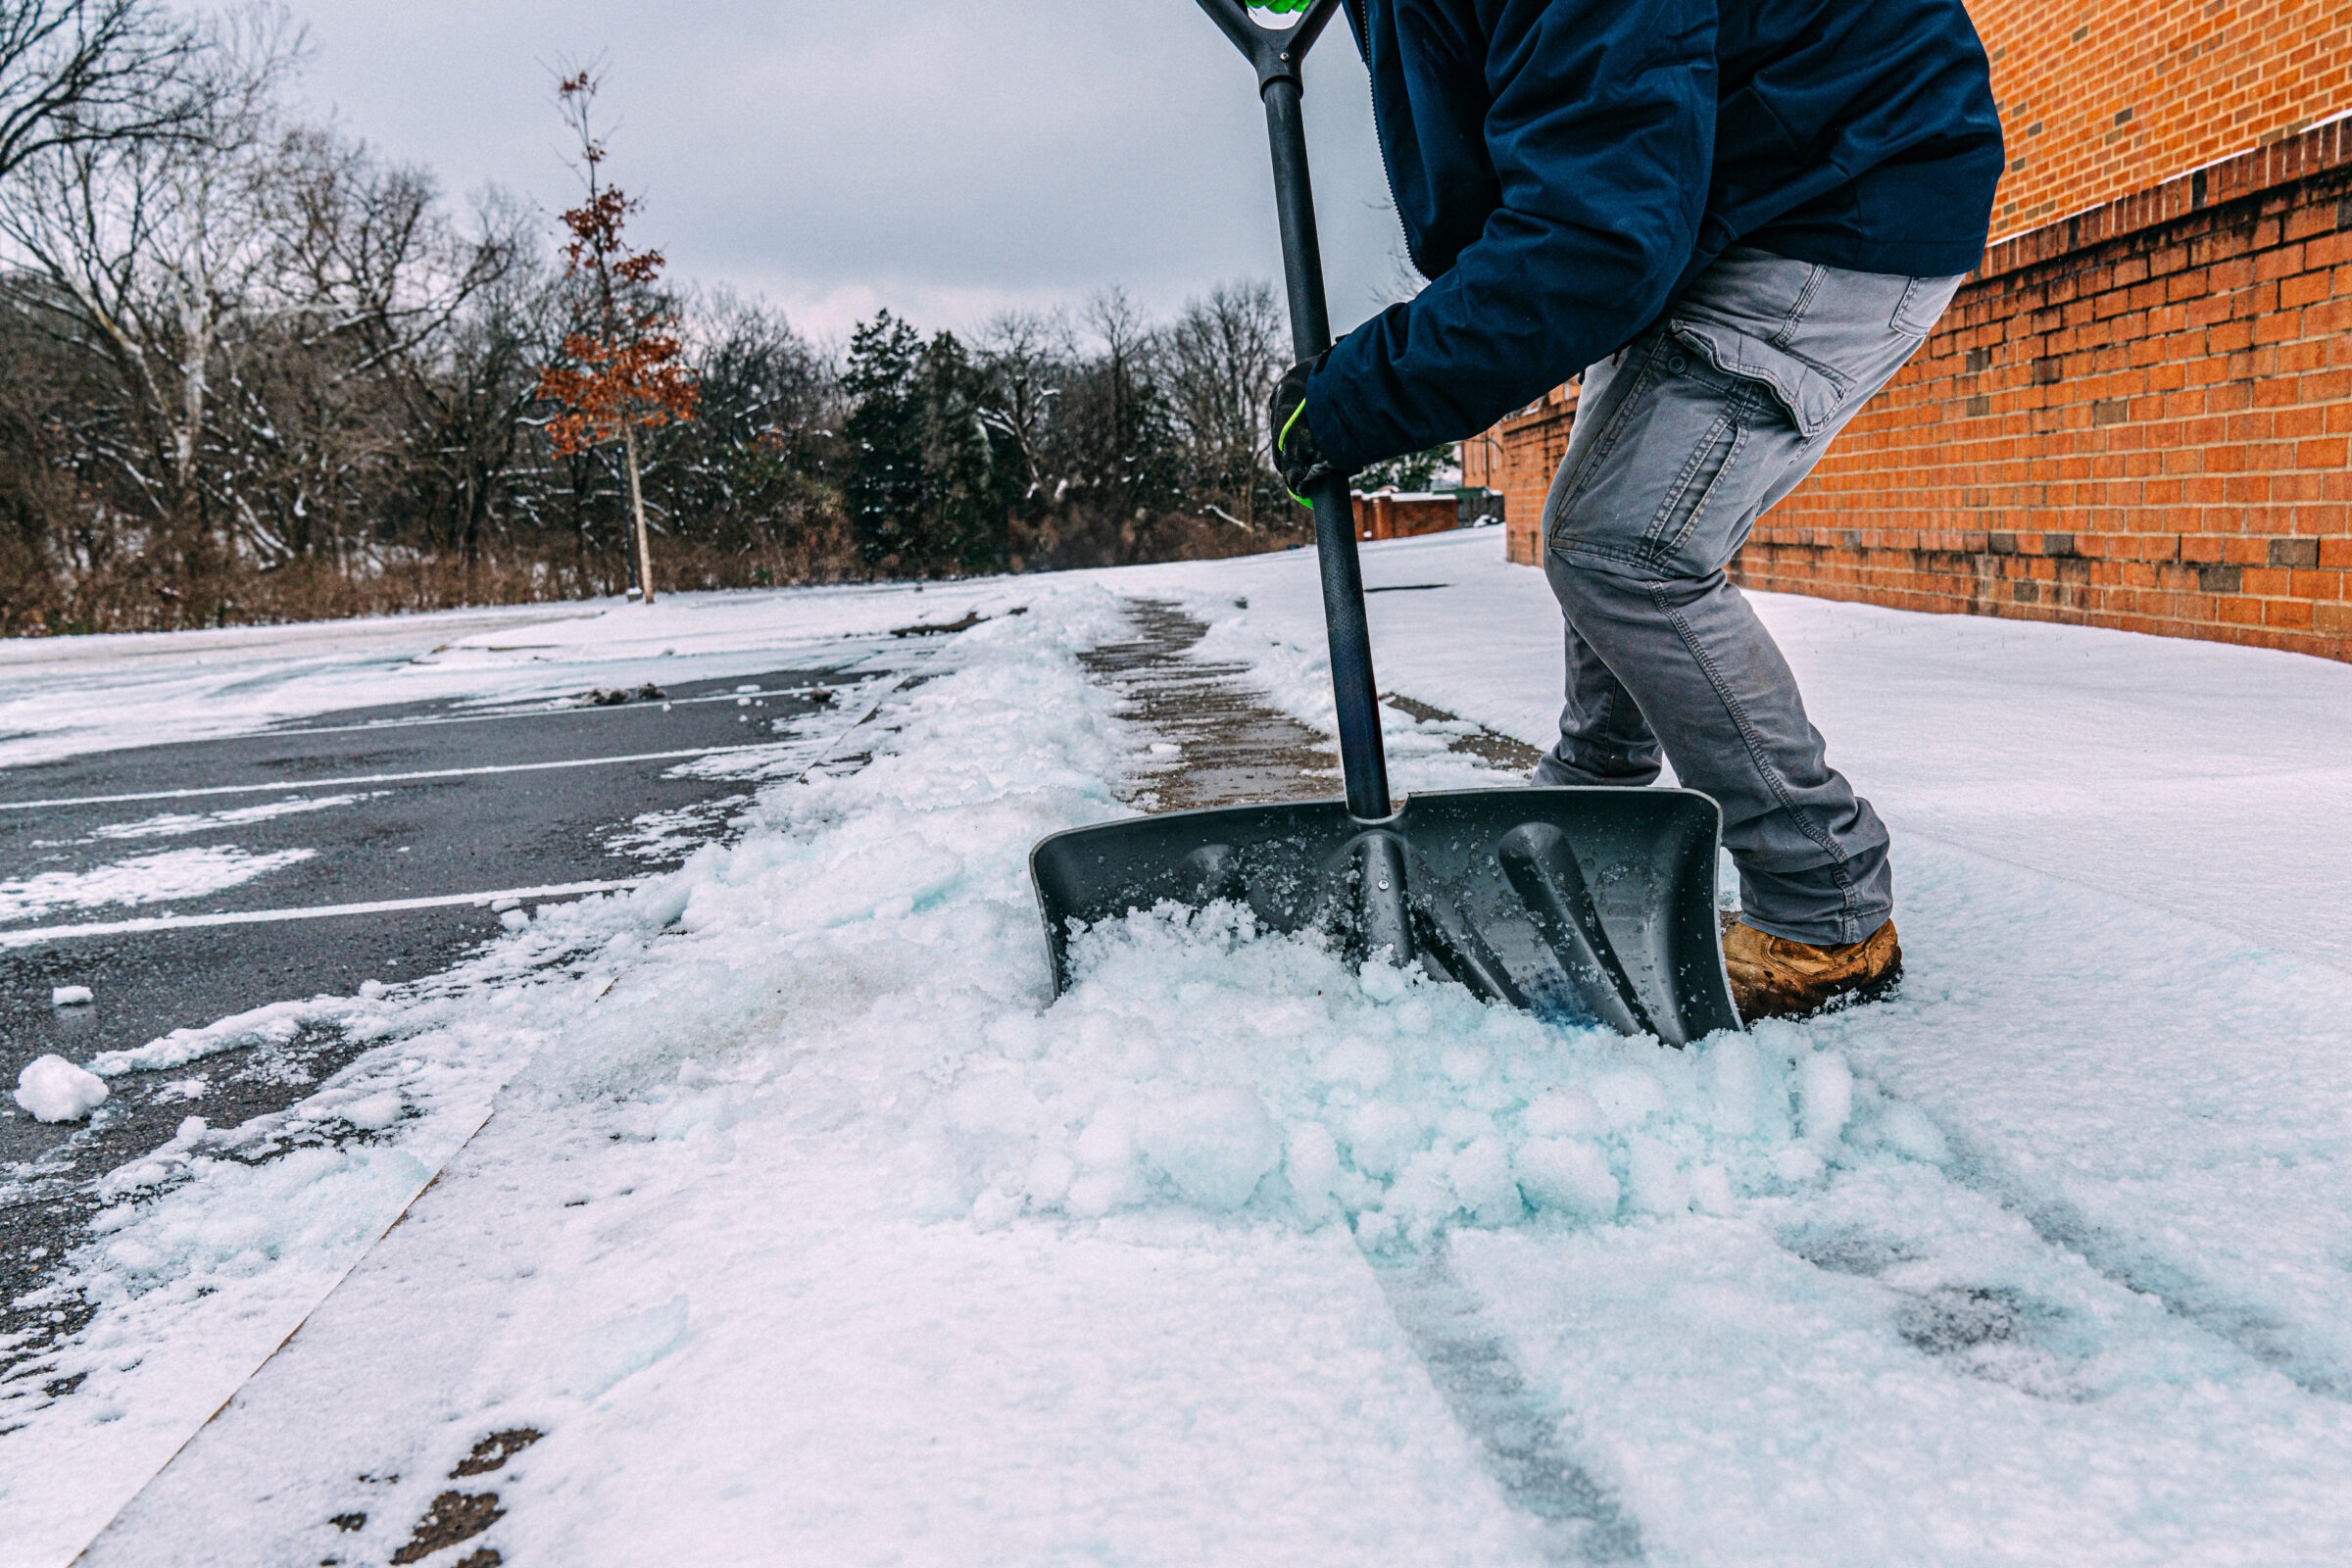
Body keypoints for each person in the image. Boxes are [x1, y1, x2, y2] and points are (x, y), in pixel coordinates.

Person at [1268, 0, 2003, 1021]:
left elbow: (1595, 243)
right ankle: (1597, 792)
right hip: (1722, 183)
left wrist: (1368, 392)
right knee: (1606, 502)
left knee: (1624, 544)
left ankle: (1825, 908)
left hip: (1846, 179)